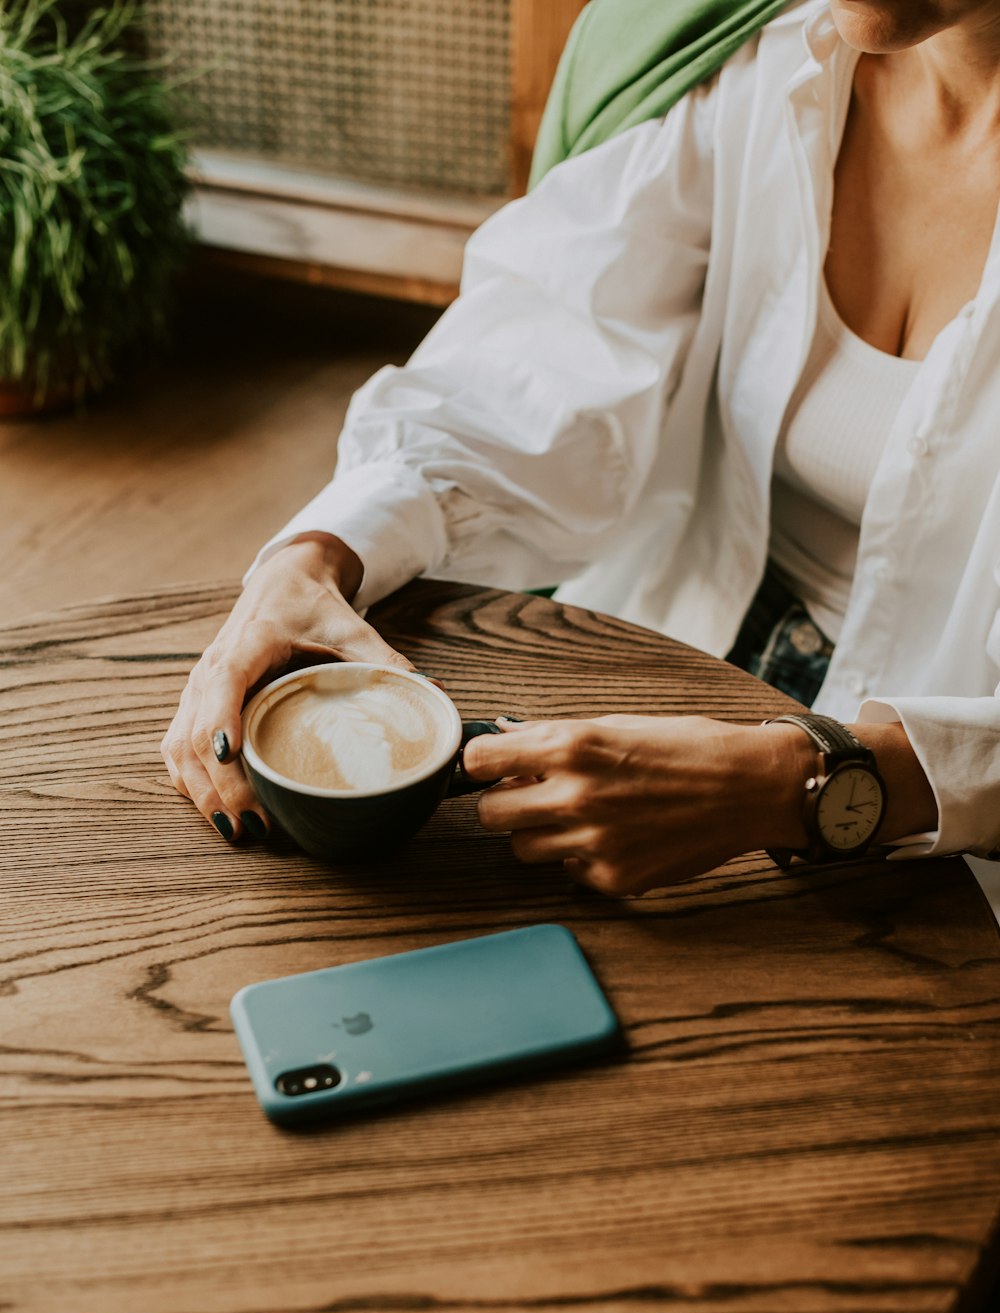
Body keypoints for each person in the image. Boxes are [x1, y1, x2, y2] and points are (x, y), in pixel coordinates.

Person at [162, 0, 1000, 899]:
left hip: (946, 836)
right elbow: (544, 356)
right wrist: (314, 556)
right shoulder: (761, 64)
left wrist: (814, 782)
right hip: (678, 648)